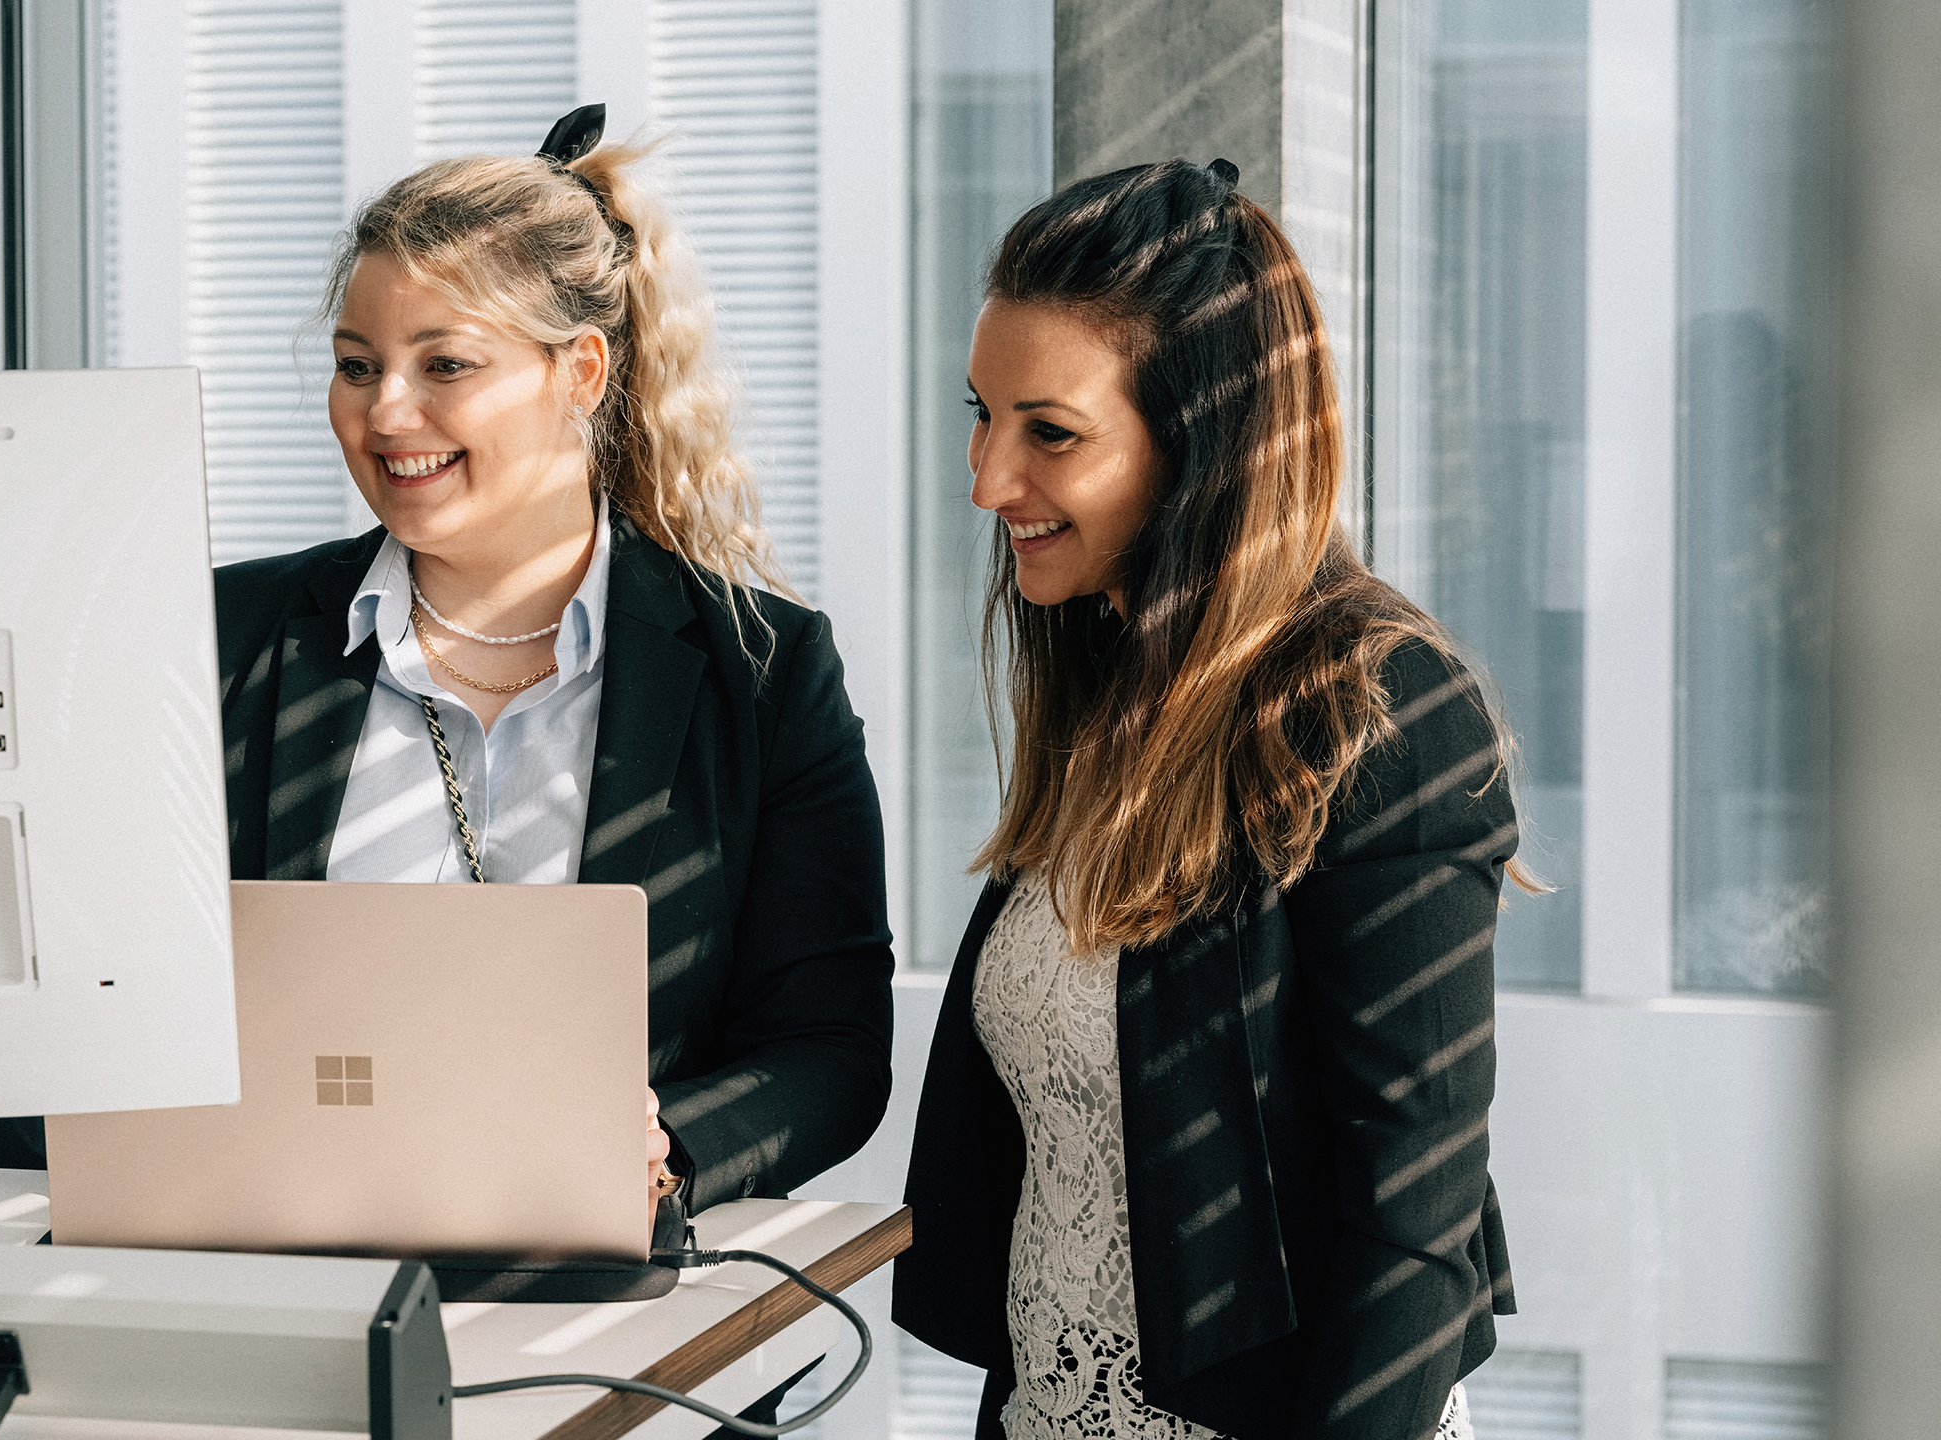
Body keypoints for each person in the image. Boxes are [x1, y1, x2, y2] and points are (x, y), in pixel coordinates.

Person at [895, 158, 1528, 1440]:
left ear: (1202, 440)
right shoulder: (1109, 687)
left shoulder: (1381, 708)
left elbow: (1415, 1214)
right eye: (982, 414)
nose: (985, 481)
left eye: (1050, 433)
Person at [212, 107, 893, 1233]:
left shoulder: (761, 674)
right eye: (356, 365)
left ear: (579, 372)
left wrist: (660, 1147)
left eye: (446, 364)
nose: (386, 412)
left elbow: (828, 1049)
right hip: (276, 1277)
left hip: (602, 1320)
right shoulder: (229, 637)